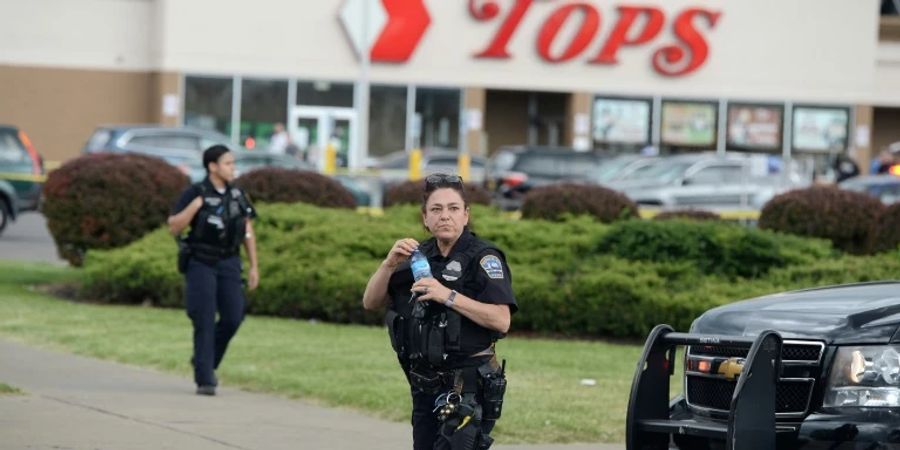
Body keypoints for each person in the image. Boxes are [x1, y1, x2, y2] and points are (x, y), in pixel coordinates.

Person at [363, 174, 517, 450]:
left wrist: (448, 295)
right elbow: (370, 302)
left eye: (453, 208)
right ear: (425, 218)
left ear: (466, 215)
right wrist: (388, 265)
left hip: (466, 388)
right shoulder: (419, 256)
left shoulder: (483, 258)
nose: (445, 216)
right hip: (426, 386)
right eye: (436, 209)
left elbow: (501, 320)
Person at [167, 145, 259, 396]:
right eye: (228, 163)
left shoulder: (238, 195)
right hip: (201, 262)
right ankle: (205, 378)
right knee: (204, 318)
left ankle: (204, 361)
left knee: (233, 316)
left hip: (229, 261)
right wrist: (195, 207)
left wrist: (254, 266)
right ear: (212, 167)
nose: (233, 168)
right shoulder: (195, 193)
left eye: (233, 163)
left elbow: (247, 231)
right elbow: (174, 227)